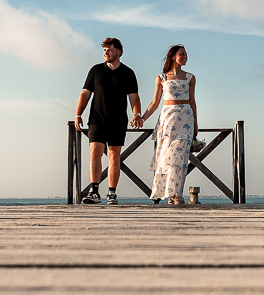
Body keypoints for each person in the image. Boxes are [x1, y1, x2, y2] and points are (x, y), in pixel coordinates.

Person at [73, 37, 141, 205]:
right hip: (97, 119)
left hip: (118, 120)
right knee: (95, 152)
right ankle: (94, 191)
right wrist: (78, 114)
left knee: (113, 155)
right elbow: (85, 93)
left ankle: (112, 193)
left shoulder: (128, 73)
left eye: (109, 50)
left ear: (119, 52)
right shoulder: (95, 70)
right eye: (104, 50)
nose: (106, 53)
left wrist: (137, 114)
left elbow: (134, 97)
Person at [139, 43, 198, 205]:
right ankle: (168, 194)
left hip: (185, 118)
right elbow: (154, 103)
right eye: (182, 54)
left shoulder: (190, 77)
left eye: (186, 54)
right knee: (167, 157)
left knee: (181, 158)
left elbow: (192, 101)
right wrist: (141, 118)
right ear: (173, 56)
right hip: (167, 119)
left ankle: (177, 194)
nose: (185, 57)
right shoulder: (161, 78)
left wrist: (196, 123)